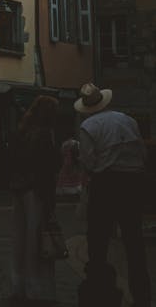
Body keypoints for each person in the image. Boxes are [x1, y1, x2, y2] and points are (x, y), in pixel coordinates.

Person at [74, 82, 151, 307]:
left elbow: (88, 160)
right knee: (134, 242)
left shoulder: (88, 126)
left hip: (105, 183)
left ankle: (99, 292)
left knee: (98, 240)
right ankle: (142, 296)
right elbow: (142, 152)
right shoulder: (128, 120)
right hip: (132, 182)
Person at [9, 94, 60, 305]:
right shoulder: (45, 135)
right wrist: (50, 199)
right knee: (36, 240)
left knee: (20, 239)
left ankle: (18, 285)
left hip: (19, 188)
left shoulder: (22, 131)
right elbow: (48, 168)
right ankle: (35, 289)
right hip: (36, 190)